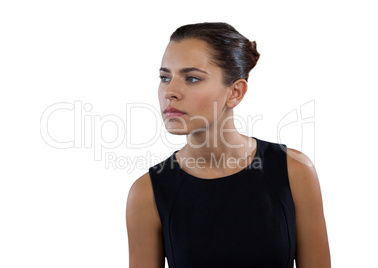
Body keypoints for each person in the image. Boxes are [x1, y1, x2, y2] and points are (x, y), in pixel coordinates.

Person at [126, 22, 331, 268]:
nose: (170, 91)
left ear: (235, 92)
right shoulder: (147, 193)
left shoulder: (294, 171)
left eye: (191, 78)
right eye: (164, 77)